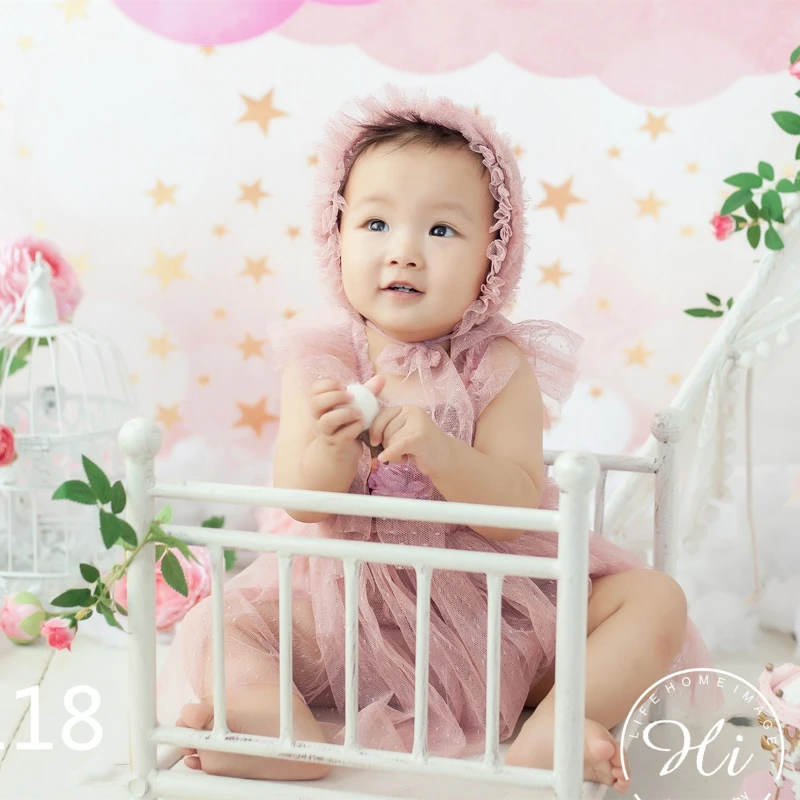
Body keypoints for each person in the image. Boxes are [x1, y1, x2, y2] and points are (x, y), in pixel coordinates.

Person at [159, 86, 713, 792]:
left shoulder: (497, 365)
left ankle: (552, 730)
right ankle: (278, 730)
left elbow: (516, 499)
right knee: (218, 622)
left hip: (495, 617)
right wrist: (331, 448)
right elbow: (300, 501)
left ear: (494, 257)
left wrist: (443, 452)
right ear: (336, 236)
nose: (405, 253)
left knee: (655, 598)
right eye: (376, 224)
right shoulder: (324, 360)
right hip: (348, 614)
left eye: (442, 231)